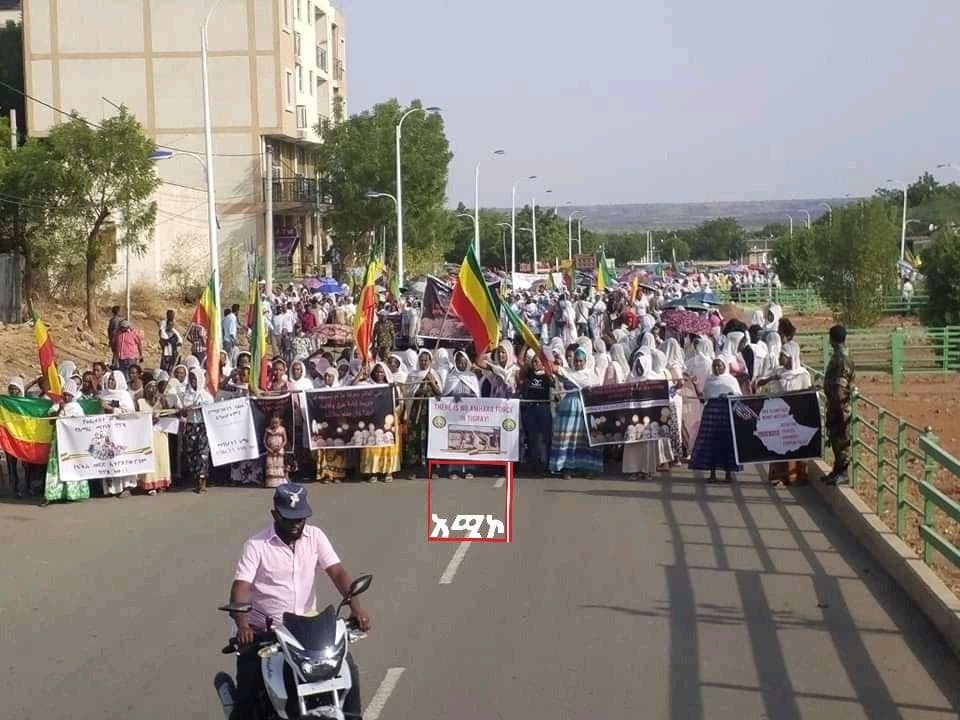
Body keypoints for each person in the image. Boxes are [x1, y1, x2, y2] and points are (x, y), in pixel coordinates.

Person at [227, 483, 370, 720]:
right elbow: (241, 587)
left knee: (348, 671)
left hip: (306, 632)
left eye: (301, 519)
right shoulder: (256, 546)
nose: (296, 525)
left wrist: (356, 608)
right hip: (265, 633)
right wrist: (243, 626)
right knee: (247, 697)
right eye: (289, 519)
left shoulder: (315, 537)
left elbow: (337, 573)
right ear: (275, 515)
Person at [549, 347, 602, 478]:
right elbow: (554, 369)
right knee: (568, 438)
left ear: (585, 361)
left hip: (585, 409)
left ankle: (588, 467)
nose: (578, 364)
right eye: (576, 361)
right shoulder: (567, 372)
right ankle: (567, 467)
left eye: (580, 361)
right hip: (569, 410)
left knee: (585, 438)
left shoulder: (591, 376)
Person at [689, 358, 742, 484]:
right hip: (711, 416)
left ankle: (728, 474)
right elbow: (703, 398)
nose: (716, 368)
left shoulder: (731, 380)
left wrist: (729, 395)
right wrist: (696, 386)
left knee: (727, 443)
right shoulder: (709, 380)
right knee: (711, 444)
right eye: (714, 366)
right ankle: (712, 474)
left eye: (719, 366)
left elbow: (738, 396)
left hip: (726, 415)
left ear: (724, 366)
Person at [767, 341, 812, 486]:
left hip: (796, 415)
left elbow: (807, 396)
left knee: (796, 444)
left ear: (791, 357)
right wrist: (772, 379)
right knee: (779, 445)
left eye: (783, 355)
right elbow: (764, 384)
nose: (779, 358)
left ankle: (797, 476)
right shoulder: (778, 372)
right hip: (780, 414)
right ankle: (779, 476)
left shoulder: (803, 375)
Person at [823, 324, 855, 486]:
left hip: (840, 407)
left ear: (832, 339)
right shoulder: (837, 356)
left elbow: (840, 388)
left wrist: (838, 408)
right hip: (834, 404)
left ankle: (843, 473)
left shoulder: (842, 359)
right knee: (835, 439)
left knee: (842, 440)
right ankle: (836, 471)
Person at [98, 370, 138, 497]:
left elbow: (129, 411)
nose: (110, 381)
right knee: (109, 457)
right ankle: (111, 488)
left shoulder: (124, 395)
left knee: (122, 457)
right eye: (109, 379)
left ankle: (127, 486)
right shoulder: (103, 394)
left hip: (121, 432)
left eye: (113, 379)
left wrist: (111, 409)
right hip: (107, 431)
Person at [137, 381, 172, 495]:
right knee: (150, 458)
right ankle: (149, 484)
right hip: (146, 434)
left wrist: (163, 401)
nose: (152, 390)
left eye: (154, 387)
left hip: (160, 434)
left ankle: (162, 483)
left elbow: (168, 413)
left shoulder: (161, 401)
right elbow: (136, 417)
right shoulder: (140, 402)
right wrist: (148, 419)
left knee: (161, 458)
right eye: (149, 387)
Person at [263, 413, 288, 489]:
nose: (274, 424)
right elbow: (264, 441)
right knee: (271, 465)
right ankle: (271, 483)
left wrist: (280, 447)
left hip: (279, 450)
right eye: (273, 423)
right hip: (270, 450)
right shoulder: (268, 430)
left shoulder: (282, 429)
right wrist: (268, 448)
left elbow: (285, 440)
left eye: (276, 423)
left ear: (280, 422)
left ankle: (279, 482)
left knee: (278, 465)